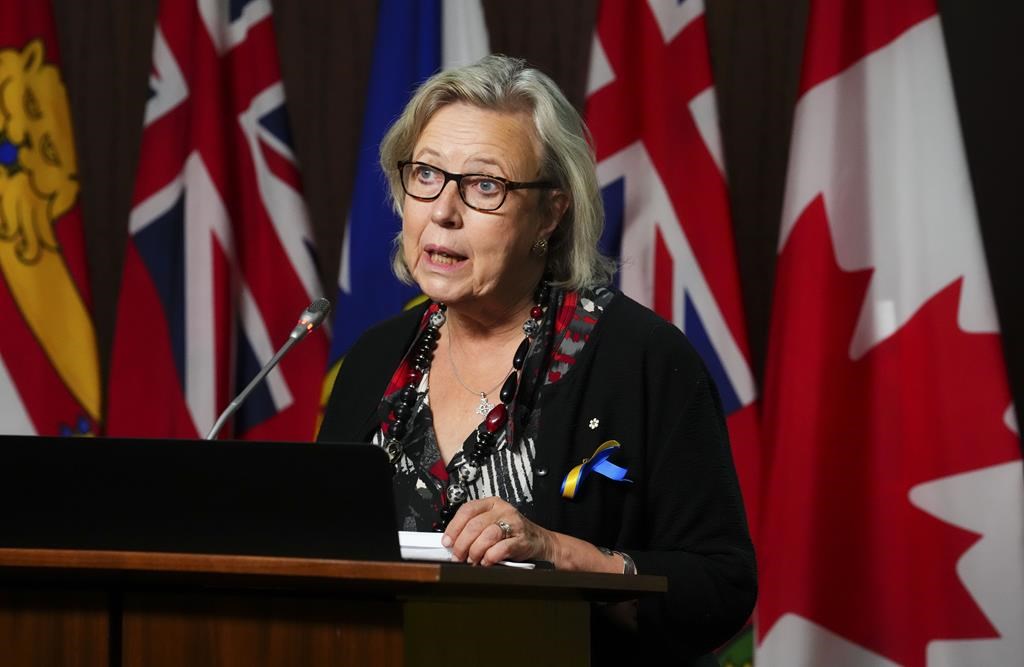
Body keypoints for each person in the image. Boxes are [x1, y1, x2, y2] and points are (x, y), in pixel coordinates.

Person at [319, 54, 755, 665]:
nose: (443, 210)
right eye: (426, 174)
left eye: (485, 185)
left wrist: (558, 552)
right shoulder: (374, 361)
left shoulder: (641, 359)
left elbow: (721, 586)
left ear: (550, 212)